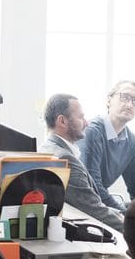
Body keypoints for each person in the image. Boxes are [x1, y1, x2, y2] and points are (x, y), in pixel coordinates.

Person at [40, 93, 124, 232]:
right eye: (81, 117)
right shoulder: (65, 159)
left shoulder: (48, 148)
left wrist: (121, 214)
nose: (86, 123)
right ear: (62, 121)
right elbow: (93, 209)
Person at [76, 80, 135, 212]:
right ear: (109, 100)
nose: (129, 104)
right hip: (80, 205)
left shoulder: (131, 141)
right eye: (124, 97)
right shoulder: (92, 132)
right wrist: (124, 214)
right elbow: (93, 186)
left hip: (98, 203)